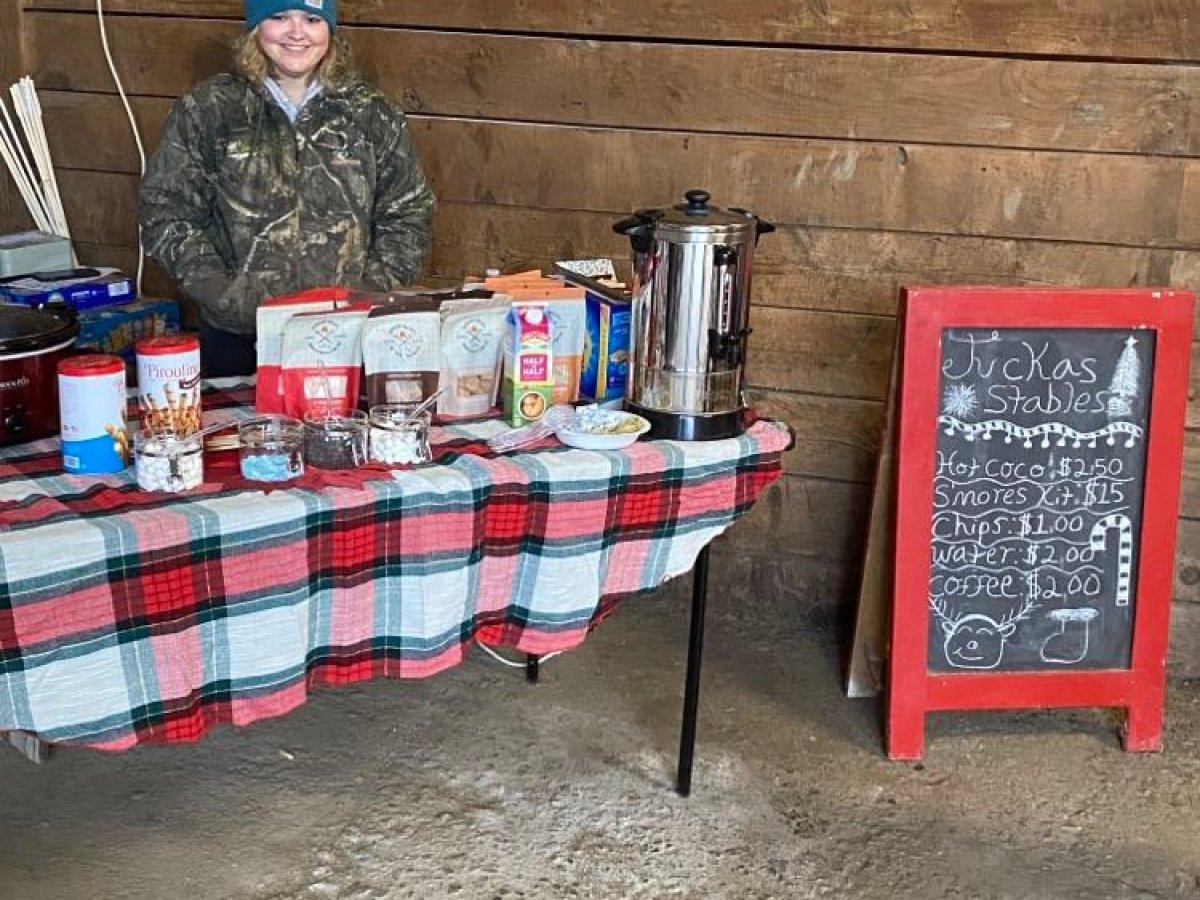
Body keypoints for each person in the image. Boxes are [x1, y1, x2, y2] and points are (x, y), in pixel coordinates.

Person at [139, 0, 436, 377]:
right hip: (238, 337)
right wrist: (229, 295)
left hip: (347, 335)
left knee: (343, 433)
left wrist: (364, 294)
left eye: (312, 19)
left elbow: (409, 212)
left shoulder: (371, 113)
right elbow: (167, 211)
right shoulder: (210, 108)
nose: (297, 32)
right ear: (256, 27)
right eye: (279, 17)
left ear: (329, 30)